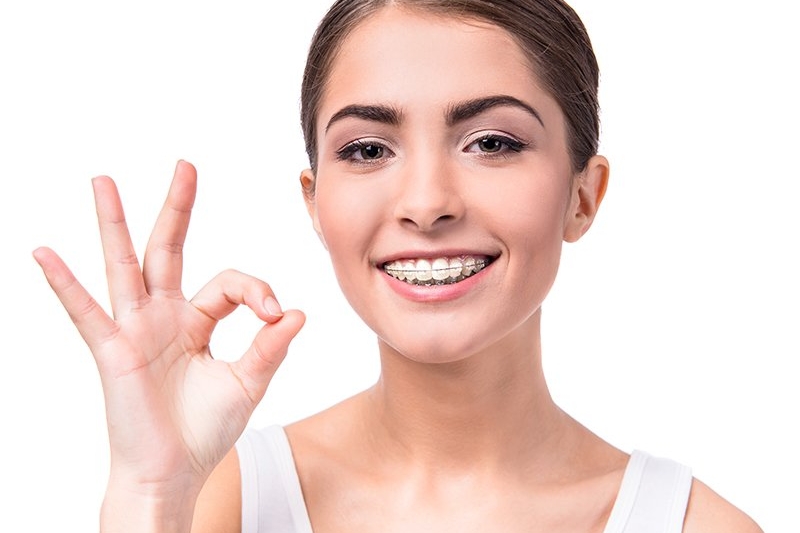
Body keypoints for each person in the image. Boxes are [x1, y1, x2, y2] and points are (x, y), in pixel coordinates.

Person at [33, 0, 763, 531]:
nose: (425, 202)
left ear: (582, 195)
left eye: (492, 142)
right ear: (317, 205)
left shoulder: (696, 525)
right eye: (368, 149)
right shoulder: (221, 503)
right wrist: (149, 491)